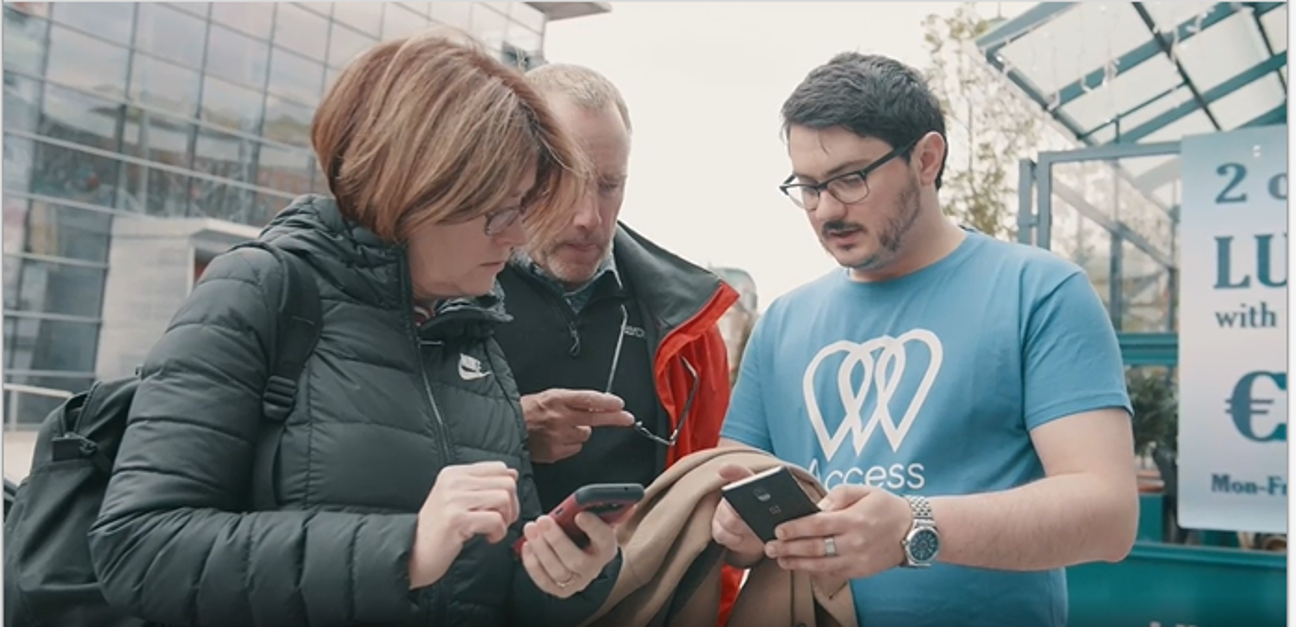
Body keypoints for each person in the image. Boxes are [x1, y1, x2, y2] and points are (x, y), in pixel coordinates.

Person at [87, 29, 621, 627]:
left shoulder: (475, 339)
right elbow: (139, 549)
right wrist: (405, 550)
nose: (517, 235)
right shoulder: (259, 293)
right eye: (499, 211)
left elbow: (489, 587)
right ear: (418, 189)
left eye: (522, 209)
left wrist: (568, 576)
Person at [710, 52, 1139, 627]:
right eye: (808, 187)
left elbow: (1108, 515)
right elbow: (734, 513)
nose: (827, 210)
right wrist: (732, 529)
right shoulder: (784, 320)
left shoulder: (1039, 292)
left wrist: (913, 526)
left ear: (926, 160)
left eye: (851, 179)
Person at [491, 62, 743, 624]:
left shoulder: (689, 327)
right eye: (566, 179)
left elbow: (707, 523)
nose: (588, 216)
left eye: (609, 185)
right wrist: (509, 426)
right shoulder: (442, 290)